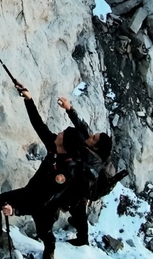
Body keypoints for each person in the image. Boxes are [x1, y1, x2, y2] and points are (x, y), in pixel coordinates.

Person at [0, 84, 86, 259]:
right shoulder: (56, 146)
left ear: (65, 146)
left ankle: (50, 249)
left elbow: (42, 200)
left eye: (62, 135)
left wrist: (16, 210)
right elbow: (39, 126)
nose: (58, 133)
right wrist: (29, 99)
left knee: (44, 232)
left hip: (46, 207)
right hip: (29, 193)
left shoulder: (65, 174)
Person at [57, 96, 116, 246]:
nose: (90, 136)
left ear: (95, 147)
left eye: (93, 138)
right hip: (87, 179)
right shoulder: (95, 147)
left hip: (89, 185)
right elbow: (84, 128)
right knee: (78, 206)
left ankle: (82, 238)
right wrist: (69, 108)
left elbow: (84, 182)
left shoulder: (92, 158)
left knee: (76, 203)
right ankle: (79, 226)